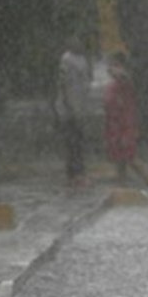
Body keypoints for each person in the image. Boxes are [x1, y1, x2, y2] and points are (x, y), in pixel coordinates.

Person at [102, 51, 148, 193]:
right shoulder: (113, 85)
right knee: (119, 160)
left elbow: (127, 108)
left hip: (124, 126)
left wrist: (126, 132)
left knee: (131, 158)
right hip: (114, 127)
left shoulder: (124, 82)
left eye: (113, 65)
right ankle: (122, 187)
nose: (110, 68)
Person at [55, 36, 91, 188]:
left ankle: (77, 173)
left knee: (77, 142)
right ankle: (75, 174)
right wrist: (70, 108)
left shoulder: (81, 59)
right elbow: (65, 85)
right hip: (71, 109)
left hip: (79, 107)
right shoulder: (67, 59)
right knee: (73, 142)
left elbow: (84, 84)